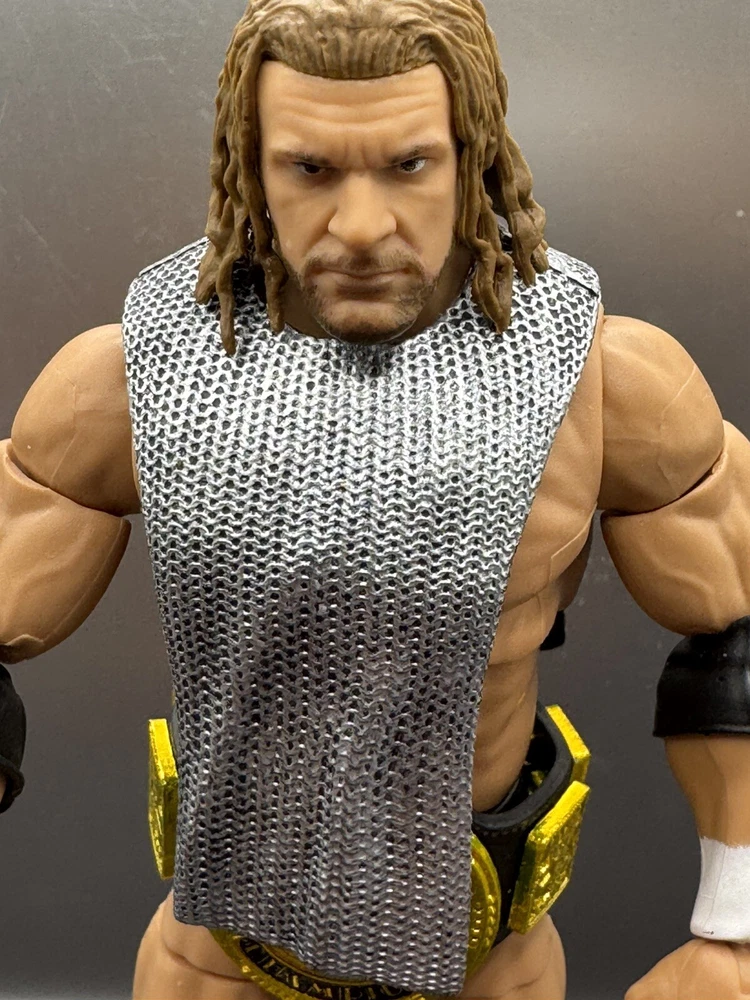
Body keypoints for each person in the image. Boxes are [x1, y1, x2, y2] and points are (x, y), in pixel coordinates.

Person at [2, 1, 750, 997]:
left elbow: (739, 637)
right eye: (310, 169)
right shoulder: (126, 381)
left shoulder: (609, 383)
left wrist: (734, 934)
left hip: (487, 966)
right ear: (251, 165)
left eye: (408, 164)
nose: (360, 228)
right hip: (219, 964)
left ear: (471, 156)